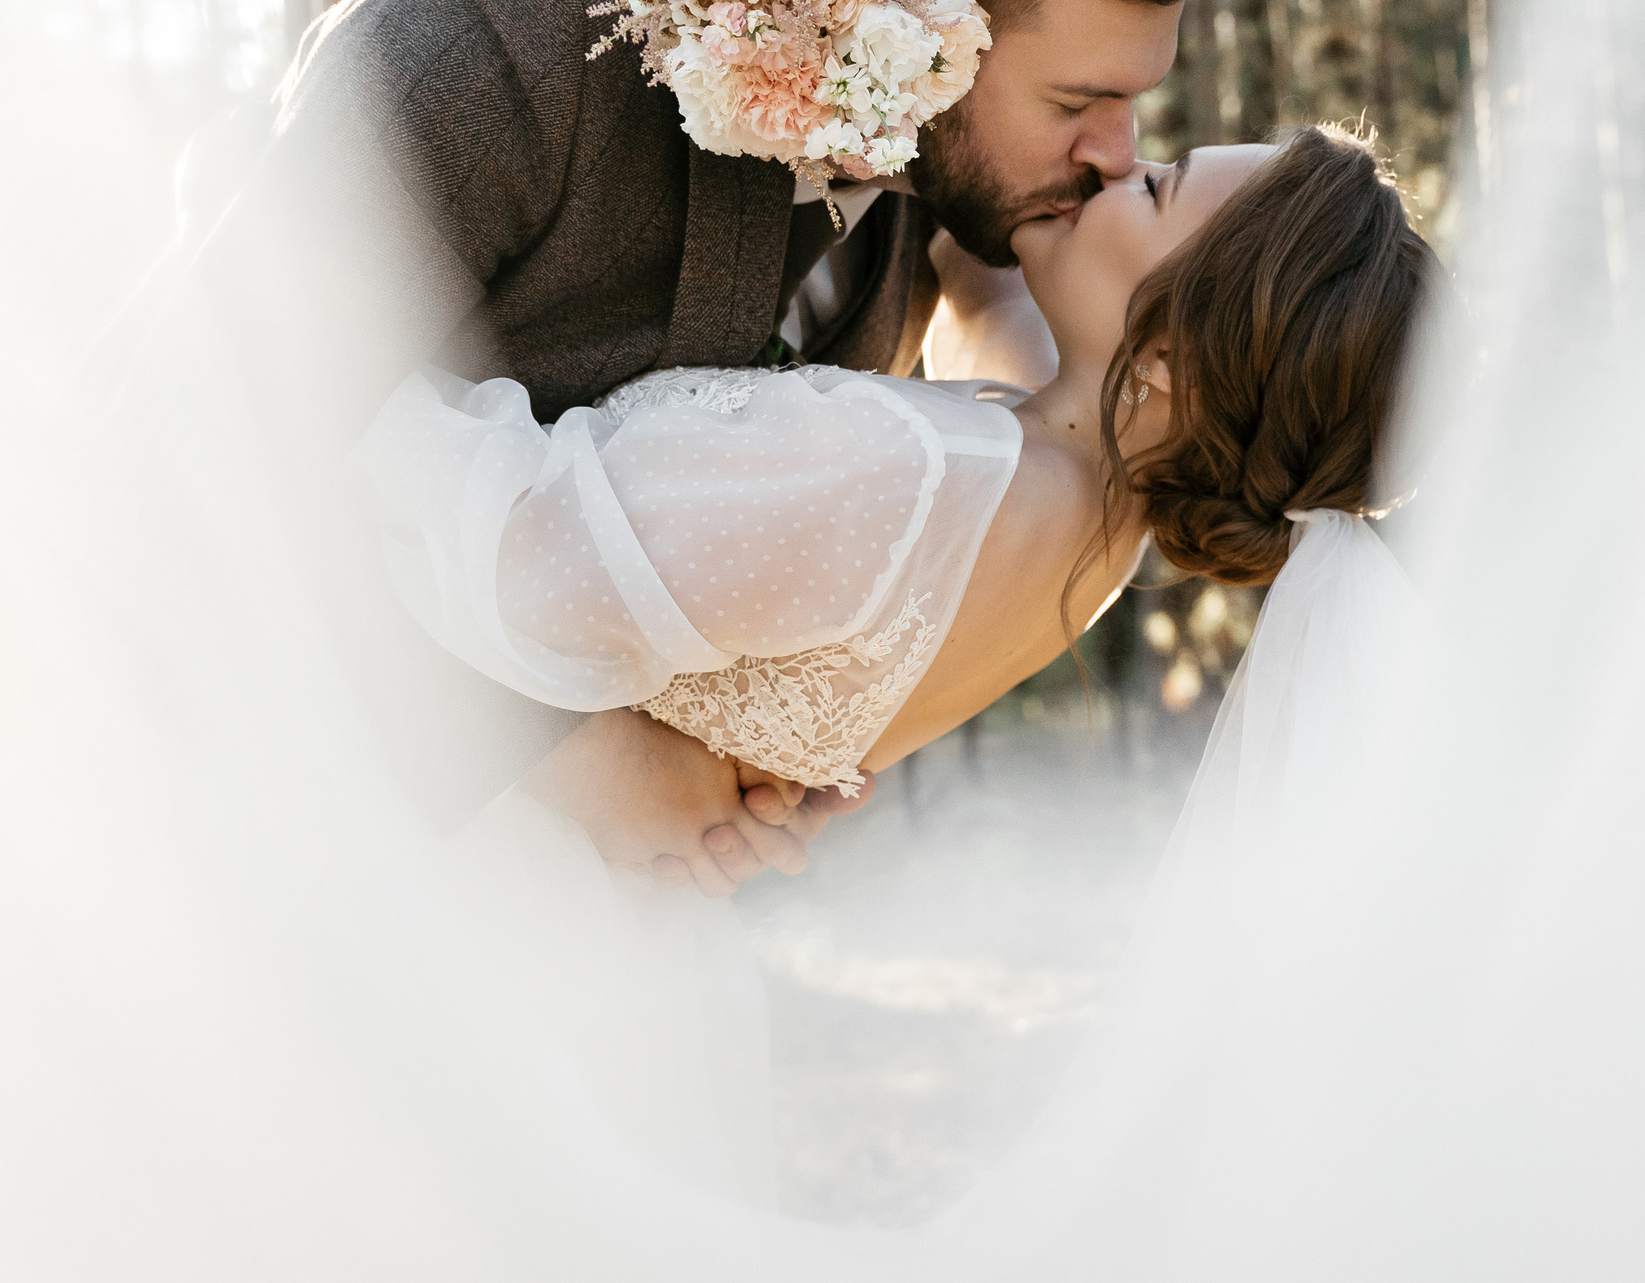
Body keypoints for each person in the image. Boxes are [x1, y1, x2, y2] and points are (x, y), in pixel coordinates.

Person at [202, 0, 1207, 852]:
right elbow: (219, 417)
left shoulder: (934, 211)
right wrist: (548, 756)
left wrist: (760, 759)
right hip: (221, 801)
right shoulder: (509, 31)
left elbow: (1029, 443)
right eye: (1081, 98)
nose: (1116, 155)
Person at [361, 128, 1440, 899]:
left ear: (1166, 358)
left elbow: (503, 550)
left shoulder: (903, 472)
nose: (1114, 159)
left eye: (1156, 188)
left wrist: (310, 297)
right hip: (583, 907)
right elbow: (990, 294)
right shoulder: (1098, 532)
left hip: (421, 820)